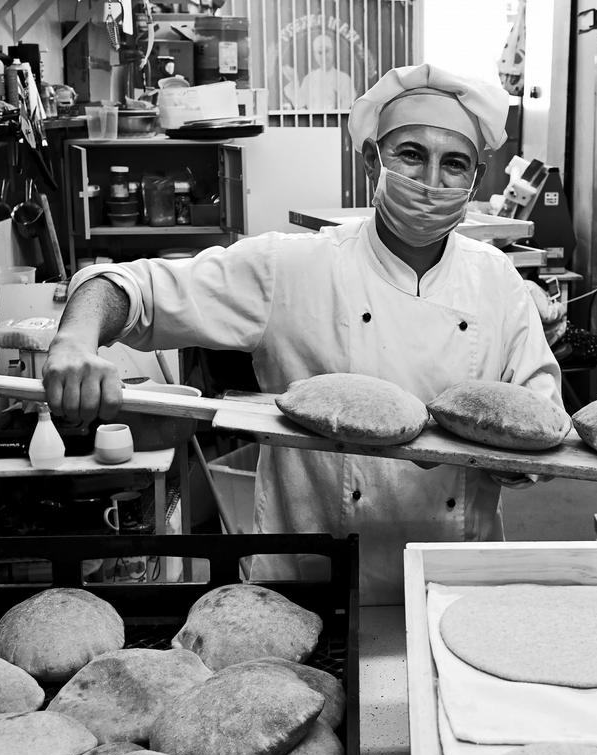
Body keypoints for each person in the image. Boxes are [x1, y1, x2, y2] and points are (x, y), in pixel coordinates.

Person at [43, 63, 563, 604]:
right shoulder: (291, 267)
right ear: (371, 160)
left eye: (454, 164)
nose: (431, 181)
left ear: (475, 179)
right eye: (411, 154)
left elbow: (539, 418)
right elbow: (131, 286)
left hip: (452, 583)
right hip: (309, 583)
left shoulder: (495, 279)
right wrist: (76, 340)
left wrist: (511, 465)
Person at [297, 34, 356, 110]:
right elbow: (302, 106)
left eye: (327, 51)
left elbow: (347, 107)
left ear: (333, 52)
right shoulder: (308, 79)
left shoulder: (344, 78)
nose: (324, 56)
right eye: (320, 52)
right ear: (315, 55)